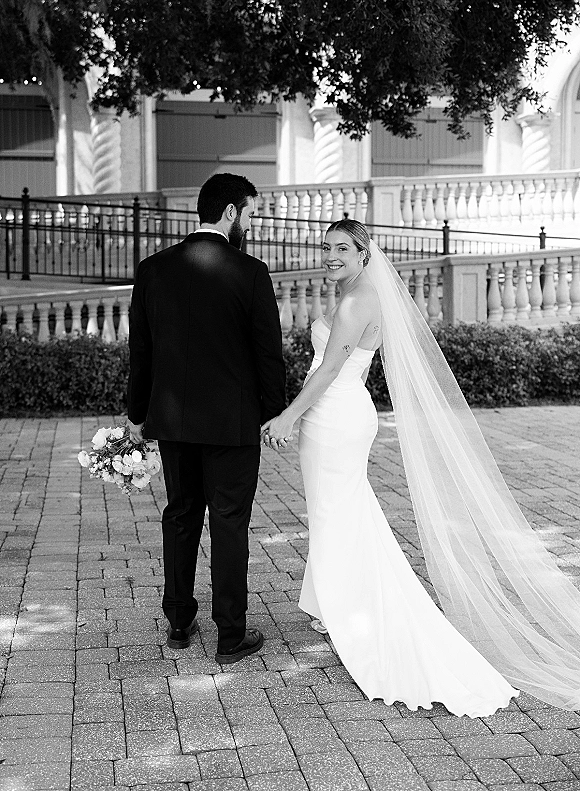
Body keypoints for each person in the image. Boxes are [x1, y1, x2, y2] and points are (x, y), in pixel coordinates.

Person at [262, 218, 580, 716]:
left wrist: (287, 415)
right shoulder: (357, 290)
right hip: (340, 413)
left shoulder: (358, 298)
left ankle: (351, 609)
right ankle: (334, 600)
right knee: (342, 508)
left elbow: (328, 368)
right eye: (326, 248)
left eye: (341, 248)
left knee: (334, 511)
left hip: (336, 415)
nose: (330, 255)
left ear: (365, 252)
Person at [127, 172, 286, 664]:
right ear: (232, 212)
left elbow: (141, 350)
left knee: (180, 514)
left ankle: (178, 620)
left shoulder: (153, 269)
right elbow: (268, 355)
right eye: (251, 213)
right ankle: (230, 634)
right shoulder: (250, 272)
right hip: (233, 425)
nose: (251, 224)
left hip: (173, 421)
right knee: (229, 521)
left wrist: (138, 413)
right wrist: (273, 412)